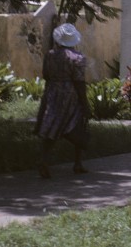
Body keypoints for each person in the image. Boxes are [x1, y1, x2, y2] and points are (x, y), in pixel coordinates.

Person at [34, 22, 90, 178]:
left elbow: (46, 75)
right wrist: (85, 103)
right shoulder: (77, 58)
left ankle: (44, 161)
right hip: (70, 95)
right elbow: (79, 82)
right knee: (77, 125)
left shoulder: (50, 55)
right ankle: (78, 163)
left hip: (52, 93)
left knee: (50, 126)